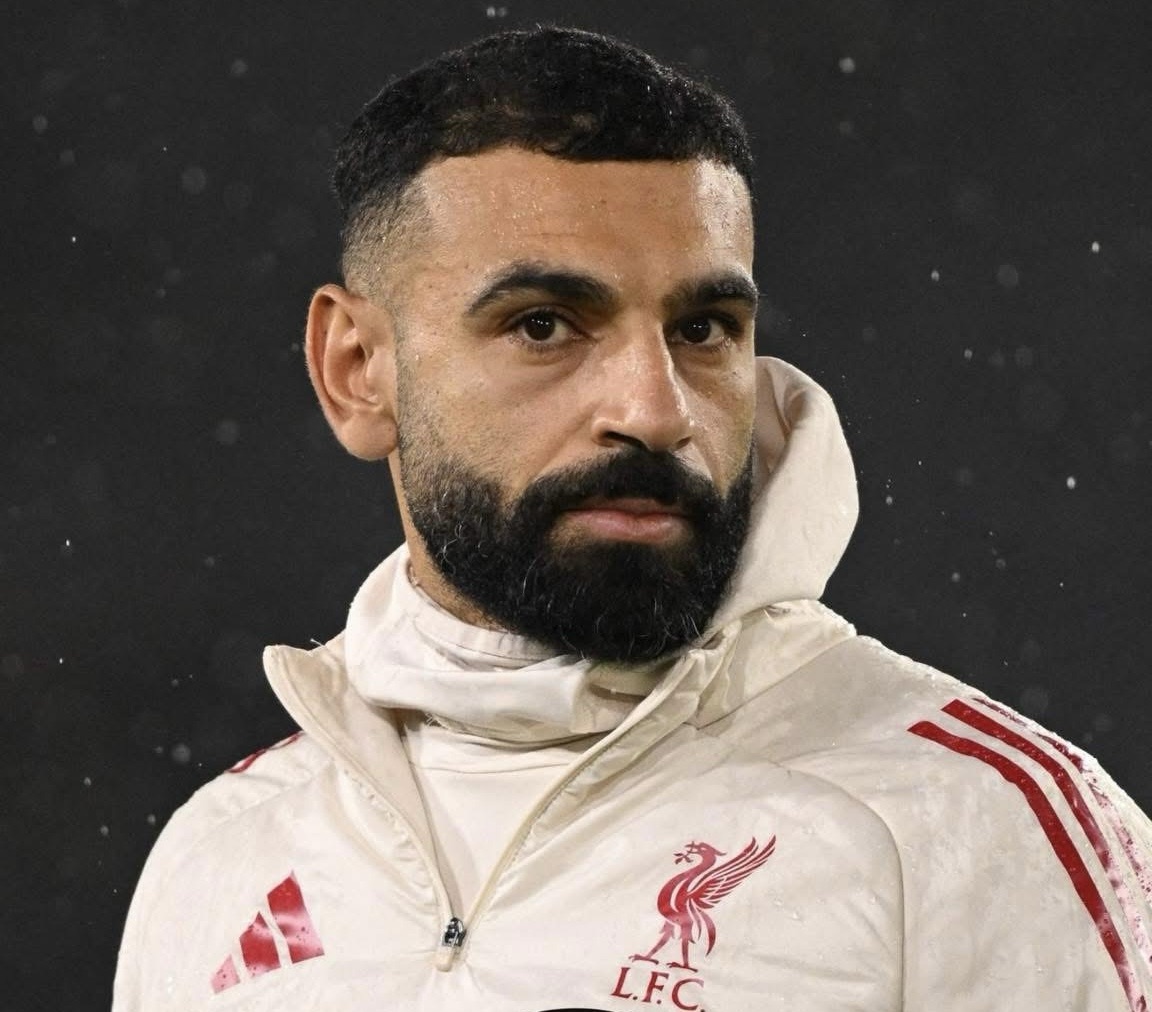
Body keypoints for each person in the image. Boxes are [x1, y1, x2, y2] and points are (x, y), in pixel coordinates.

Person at [113, 27, 1152, 1012]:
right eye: (544, 325)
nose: (655, 412)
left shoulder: (976, 831)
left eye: (703, 328)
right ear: (357, 370)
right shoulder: (222, 857)